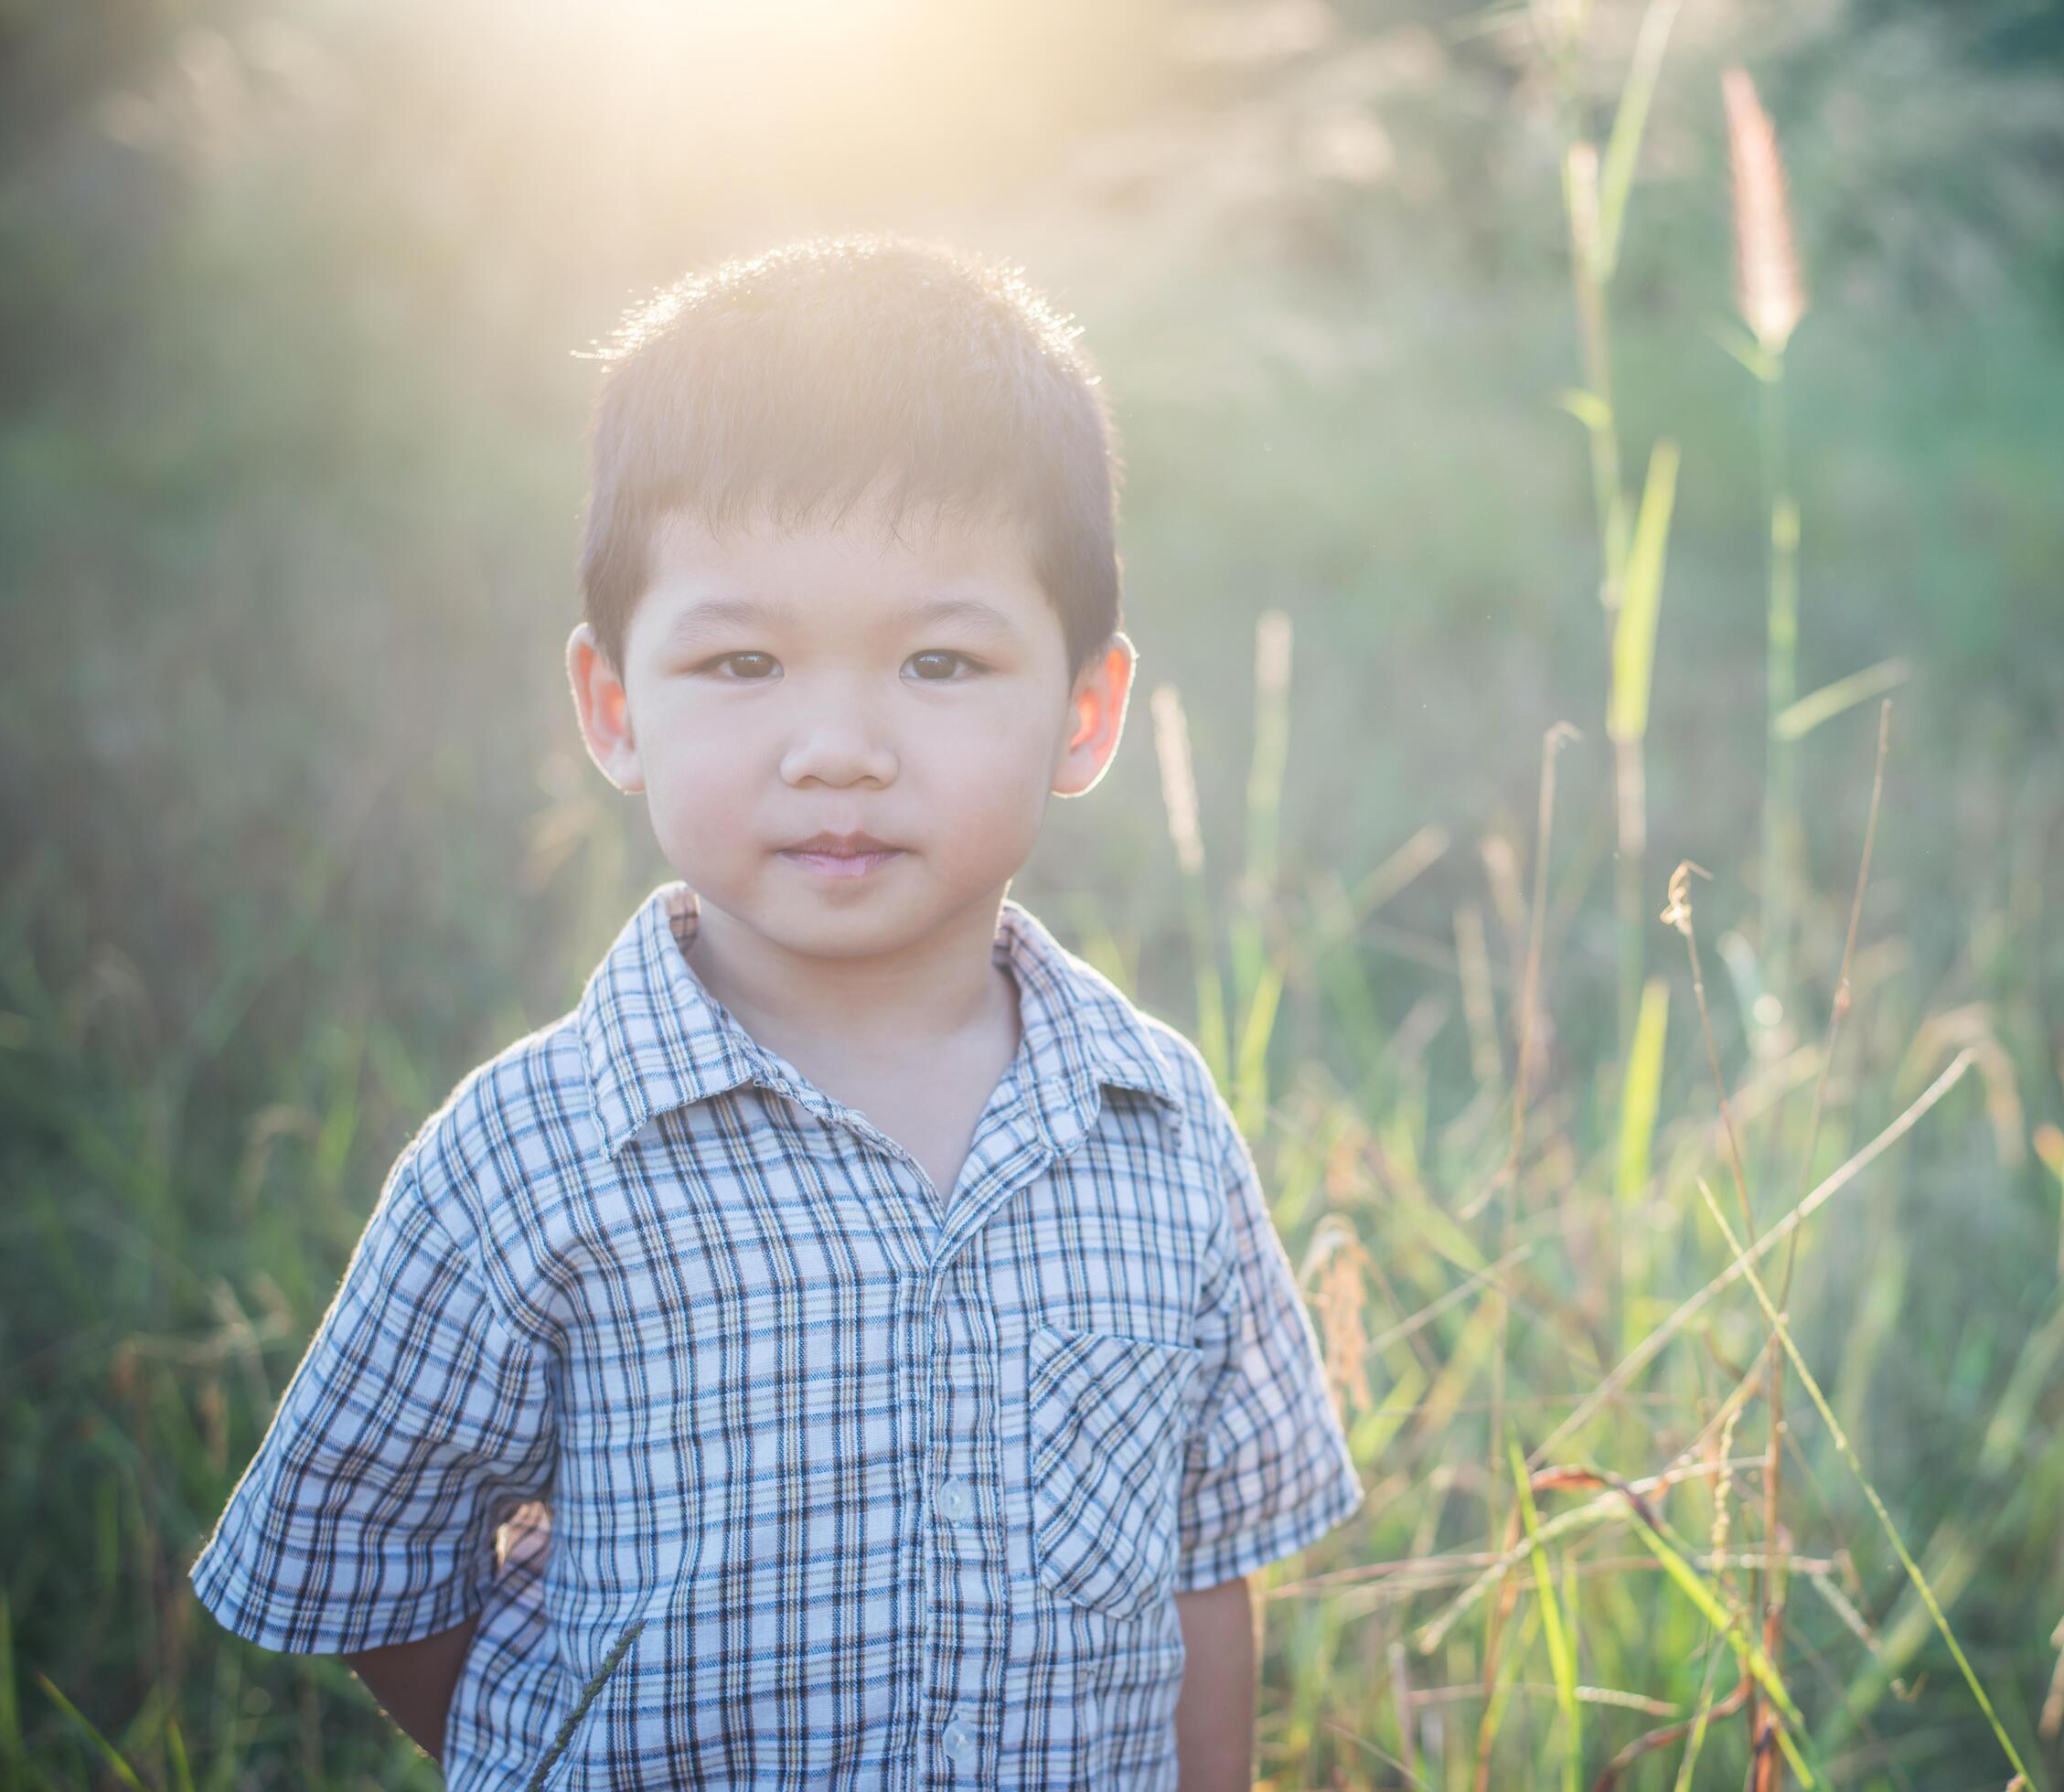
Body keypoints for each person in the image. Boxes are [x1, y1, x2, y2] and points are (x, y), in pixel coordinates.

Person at [187, 235, 1364, 1788]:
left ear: (1082, 712)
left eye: (939, 661)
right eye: (741, 661)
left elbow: (1206, 1562)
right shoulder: (530, 1159)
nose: (837, 747)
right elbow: (370, 1564)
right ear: (614, 707)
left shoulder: (1158, 1131)